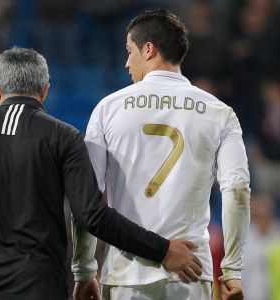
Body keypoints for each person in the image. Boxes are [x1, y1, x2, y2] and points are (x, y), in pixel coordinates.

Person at [0, 47, 203, 300]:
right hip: (36, 287)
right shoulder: (64, 137)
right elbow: (92, 216)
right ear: (45, 91)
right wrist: (162, 250)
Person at [72, 9, 250, 300]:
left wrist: (84, 269)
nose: (127, 62)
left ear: (149, 49)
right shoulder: (220, 112)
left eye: (130, 51)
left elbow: (88, 199)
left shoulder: (107, 108)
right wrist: (231, 270)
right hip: (192, 273)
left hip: (127, 275)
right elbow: (238, 190)